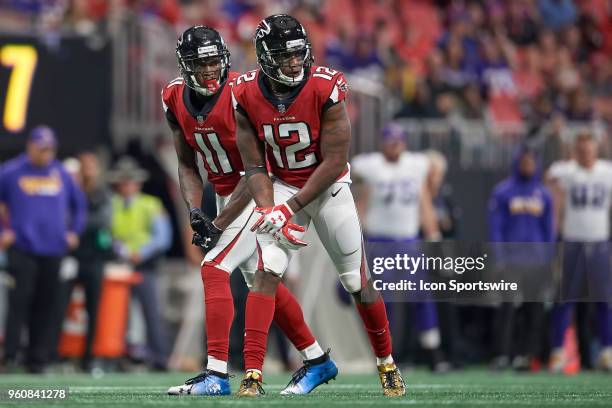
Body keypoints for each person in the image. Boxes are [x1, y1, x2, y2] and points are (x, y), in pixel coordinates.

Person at [233, 14, 405, 397]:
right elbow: (254, 165)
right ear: (264, 56)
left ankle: (386, 363)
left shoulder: (325, 86)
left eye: (298, 53)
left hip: (328, 188)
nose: (294, 62)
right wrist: (266, 207)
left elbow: (333, 160)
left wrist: (288, 207)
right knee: (266, 272)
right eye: (284, 55)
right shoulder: (244, 93)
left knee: (356, 281)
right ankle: (253, 374)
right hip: (278, 185)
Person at [162, 26, 334, 396]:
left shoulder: (242, 94)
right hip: (225, 195)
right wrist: (196, 209)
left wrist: (218, 222)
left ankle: (216, 374)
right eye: (199, 63)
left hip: (260, 194)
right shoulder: (174, 96)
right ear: (185, 66)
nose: (209, 70)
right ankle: (317, 359)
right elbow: (187, 164)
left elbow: (259, 166)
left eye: (213, 61)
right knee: (257, 280)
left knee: (213, 267)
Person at [351, 123, 449, 372]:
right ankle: (387, 356)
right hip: (379, 242)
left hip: (408, 241)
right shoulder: (370, 165)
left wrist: (434, 235)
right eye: (390, 141)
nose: (394, 146)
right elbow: (359, 197)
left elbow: (424, 201)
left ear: (404, 142)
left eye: (398, 141)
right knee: (385, 301)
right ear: (382, 142)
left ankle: (433, 353)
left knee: (421, 296)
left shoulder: (416, 165)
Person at [0, 126, 86, 373]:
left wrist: (74, 232)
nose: (45, 154)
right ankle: (11, 356)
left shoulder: (60, 173)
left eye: (49, 149)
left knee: (46, 304)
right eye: (41, 149)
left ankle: (37, 358)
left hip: (53, 249)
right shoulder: (11, 171)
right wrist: (3, 231)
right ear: (30, 147)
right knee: (19, 302)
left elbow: (79, 206)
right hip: (22, 247)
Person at [546, 131, 612, 372]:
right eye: (582, 150)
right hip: (573, 243)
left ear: (596, 150)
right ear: (576, 150)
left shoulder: (607, 172)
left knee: (605, 300)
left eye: (589, 149)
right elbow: (549, 182)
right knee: (565, 300)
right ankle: (557, 351)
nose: (586, 154)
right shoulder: (567, 171)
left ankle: (607, 351)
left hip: (600, 242)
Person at [488, 145, 553, 370]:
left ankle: (527, 355)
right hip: (512, 259)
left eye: (531, 162)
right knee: (506, 308)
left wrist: (549, 259)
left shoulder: (544, 194)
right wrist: (499, 257)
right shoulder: (503, 192)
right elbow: (496, 228)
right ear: (517, 163)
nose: (527, 166)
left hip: (536, 260)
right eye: (524, 161)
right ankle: (502, 354)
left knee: (533, 310)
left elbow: (548, 230)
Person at [108, 156, 172, 370]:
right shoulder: (111, 204)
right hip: (118, 265)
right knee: (116, 313)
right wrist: (120, 249)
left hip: (145, 265)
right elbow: (104, 233)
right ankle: (118, 355)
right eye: (124, 181)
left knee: (151, 312)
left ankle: (159, 357)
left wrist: (140, 253)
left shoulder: (150, 204)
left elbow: (163, 237)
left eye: (131, 180)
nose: (127, 185)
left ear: (138, 183)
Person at [66, 152, 113, 371]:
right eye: (84, 166)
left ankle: (88, 357)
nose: (88, 170)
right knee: (57, 307)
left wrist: (77, 224)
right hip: (69, 258)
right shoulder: (69, 192)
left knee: (93, 310)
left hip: (94, 258)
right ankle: (55, 356)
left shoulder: (102, 193)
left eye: (92, 166)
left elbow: (103, 220)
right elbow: (60, 218)